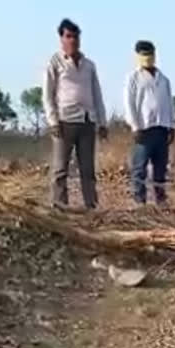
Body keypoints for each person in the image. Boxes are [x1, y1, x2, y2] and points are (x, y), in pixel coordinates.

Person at [42, 18, 107, 210]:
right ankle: (60, 207)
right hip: (65, 121)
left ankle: (91, 207)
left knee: (87, 169)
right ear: (61, 38)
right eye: (68, 36)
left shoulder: (89, 65)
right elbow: (47, 94)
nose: (73, 41)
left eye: (75, 37)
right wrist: (53, 121)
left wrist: (102, 122)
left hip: (87, 120)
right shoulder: (55, 62)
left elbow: (97, 94)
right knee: (60, 168)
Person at [124, 40, 175, 206]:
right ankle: (140, 201)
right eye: (143, 54)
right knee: (139, 167)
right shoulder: (133, 78)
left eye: (149, 54)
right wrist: (134, 125)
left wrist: (172, 125)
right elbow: (129, 103)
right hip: (143, 129)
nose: (147, 58)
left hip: (162, 127)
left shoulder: (164, 79)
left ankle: (161, 200)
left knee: (160, 168)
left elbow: (169, 102)